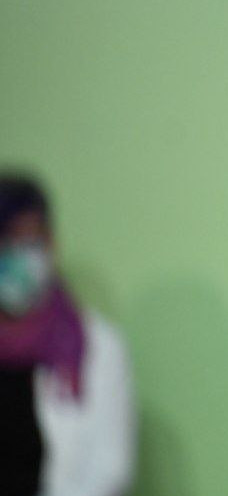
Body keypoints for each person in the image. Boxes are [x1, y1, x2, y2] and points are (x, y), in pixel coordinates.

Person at [0, 174, 135, 496]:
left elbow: (111, 468)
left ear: (50, 243)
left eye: (28, 240)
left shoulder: (95, 345)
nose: (15, 254)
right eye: (5, 241)